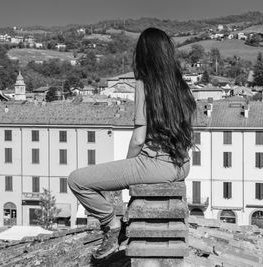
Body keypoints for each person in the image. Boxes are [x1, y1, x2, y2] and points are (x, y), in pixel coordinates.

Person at [68, 27, 197, 260]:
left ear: (144, 54)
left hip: (154, 164)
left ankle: (111, 225)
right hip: (182, 164)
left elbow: (139, 137)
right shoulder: (181, 86)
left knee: (77, 180)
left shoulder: (144, 84)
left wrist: (130, 168)